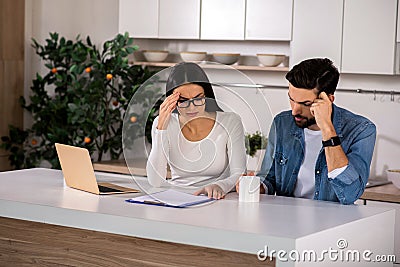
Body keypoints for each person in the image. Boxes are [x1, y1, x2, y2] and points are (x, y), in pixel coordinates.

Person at [256, 58, 376, 205]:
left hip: (332, 223)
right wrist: (259, 187)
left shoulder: (361, 130)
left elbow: (350, 194)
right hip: (285, 221)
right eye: (291, 99)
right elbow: (269, 179)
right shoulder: (282, 123)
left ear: (328, 100)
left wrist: (326, 128)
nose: (295, 110)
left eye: (305, 104)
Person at [146, 62, 246, 199]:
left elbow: (239, 173)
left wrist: (220, 186)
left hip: (217, 199)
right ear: (171, 100)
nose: (191, 107)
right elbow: (155, 181)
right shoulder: (164, 124)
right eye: (183, 100)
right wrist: (161, 127)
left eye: (198, 98)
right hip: (177, 199)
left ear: (206, 95)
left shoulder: (230, 122)